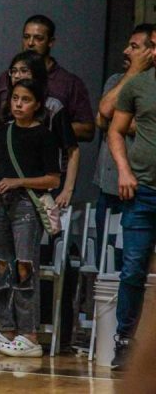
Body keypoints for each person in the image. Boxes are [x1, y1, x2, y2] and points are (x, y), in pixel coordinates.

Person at [0, 78, 61, 357]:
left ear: (37, 104)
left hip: (27, 204)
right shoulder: (4, 131)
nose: (18, 104)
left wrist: (19, 181)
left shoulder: (45, 136)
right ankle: (7, 328)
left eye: (25, 100)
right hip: (2, 201)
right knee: (1, 264)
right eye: (15, 98)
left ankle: (30, 333)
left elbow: (53, 179)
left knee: (25, 265)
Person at [107, 25, 156, 370]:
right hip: (142, 191)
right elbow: (115, 130)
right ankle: (124, 341)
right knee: (133, 269)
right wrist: (123, 170)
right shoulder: (138, 85)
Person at [0, 14, 95, 151]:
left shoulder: (68, 82)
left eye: (38, 38)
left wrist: (46, 128)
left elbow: (87, 130)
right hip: (9, 156)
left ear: (50, 42)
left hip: (49, 157)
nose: (30, 43)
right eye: (26, 37)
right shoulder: (8, 77)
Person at [93, 24, 153, 265]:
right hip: (109, 185)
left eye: (134, 47)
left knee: (132, 261)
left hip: (141, 187)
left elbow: (139, 126)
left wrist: (115, 120)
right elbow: (103, 112)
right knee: (104, 259)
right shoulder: (117, 80)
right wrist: (133, 72)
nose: (126, 51)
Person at [0, 51, 79, 208]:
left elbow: (73, 150)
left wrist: (67, 190)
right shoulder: (8, 106)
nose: (17, 75)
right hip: (10, 187)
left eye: (24, 71)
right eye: (13, 71)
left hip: (45, 187)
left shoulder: (53, 107)